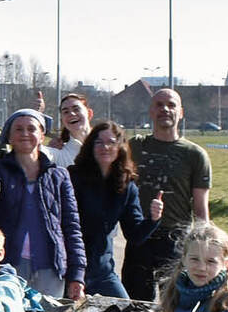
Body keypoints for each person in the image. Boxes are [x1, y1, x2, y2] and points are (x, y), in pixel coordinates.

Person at [0, 109, 86, 299]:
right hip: (9, 267)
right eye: (18, 129)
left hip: (51, 269)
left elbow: (72, 228)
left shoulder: (60, 176)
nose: (25, 134)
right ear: (9, 137)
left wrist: (77, 275)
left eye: (31, 129)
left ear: (41, 135)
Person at [121, 88, 212, 299]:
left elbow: (200, 208)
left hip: (175, 242)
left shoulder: (195, 155)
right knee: (135, 307)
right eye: (159, 105)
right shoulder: (134, 146)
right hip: (140, 238)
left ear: (181, 112)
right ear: (151, 112)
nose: (165, 109)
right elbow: (101, 150)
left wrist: (204, 249)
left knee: (175, 307)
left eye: (171, 105)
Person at [68, 122, 162, 298]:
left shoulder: (126, 187)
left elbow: (135, 234)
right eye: (99, 142)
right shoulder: (73, 177)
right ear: (90, 146)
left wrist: (153, 219)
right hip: (70, 268)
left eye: (111, 142)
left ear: (120, 147)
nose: (105, 147)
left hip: (102, 272)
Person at [46, 92, 94, 169]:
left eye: (76, 109)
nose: (71, 113)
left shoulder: (106, 144)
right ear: (62, 120)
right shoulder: (58, 153)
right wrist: (35, 114)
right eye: (66, 112)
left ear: (89, 113)